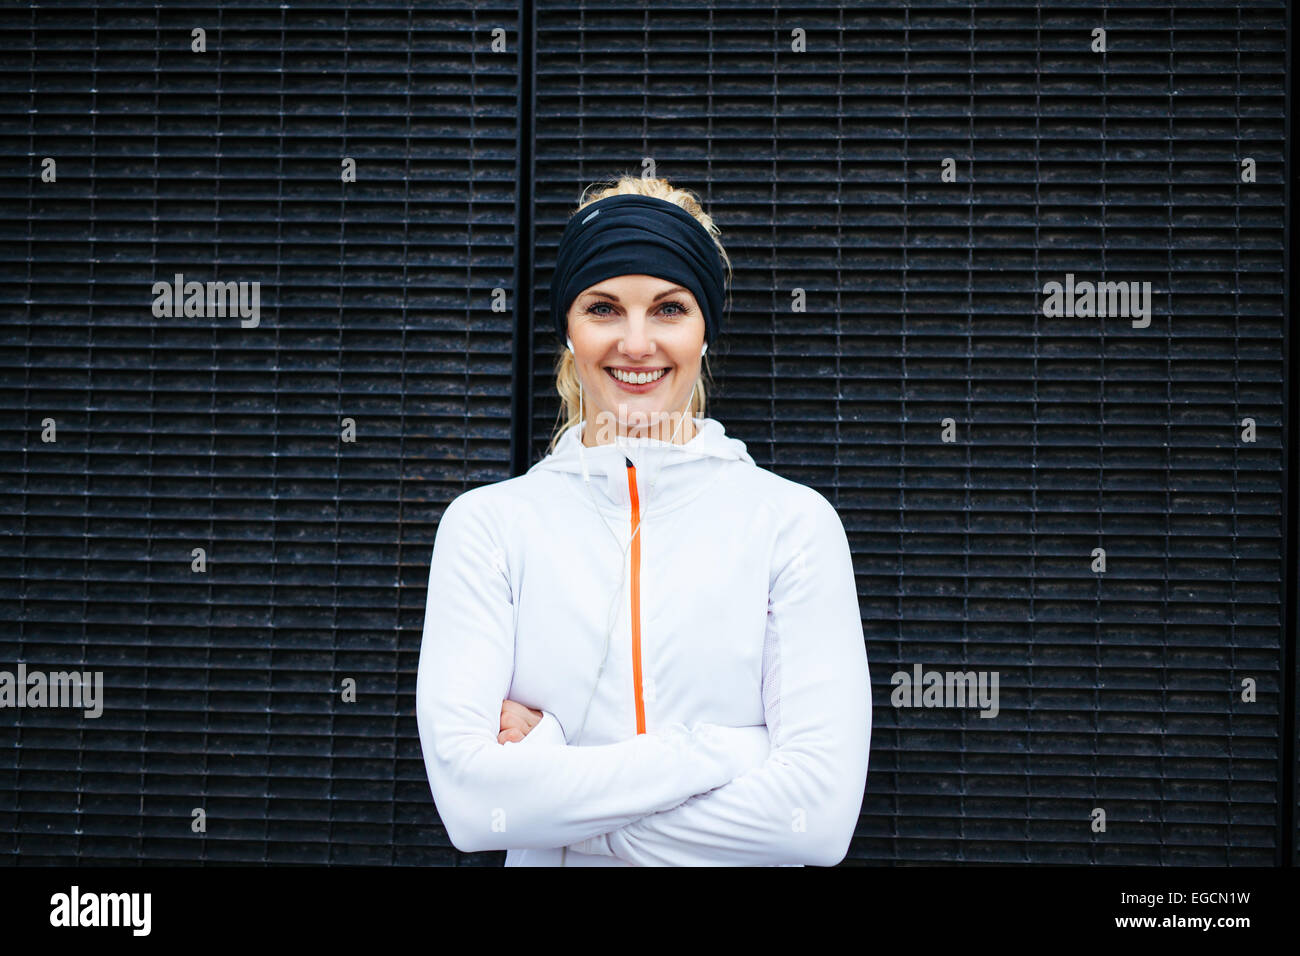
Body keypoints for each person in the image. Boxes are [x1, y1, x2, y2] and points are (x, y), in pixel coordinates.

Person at [415, 175, 872, 866]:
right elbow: (476, 811)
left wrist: (556, 791)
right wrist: (726, 749)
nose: (635, 343)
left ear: (704, 329)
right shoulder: (489, 529)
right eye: (603, 308)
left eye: (668, 309)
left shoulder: (792, 525)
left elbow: (816, 820)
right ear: (568, 328)